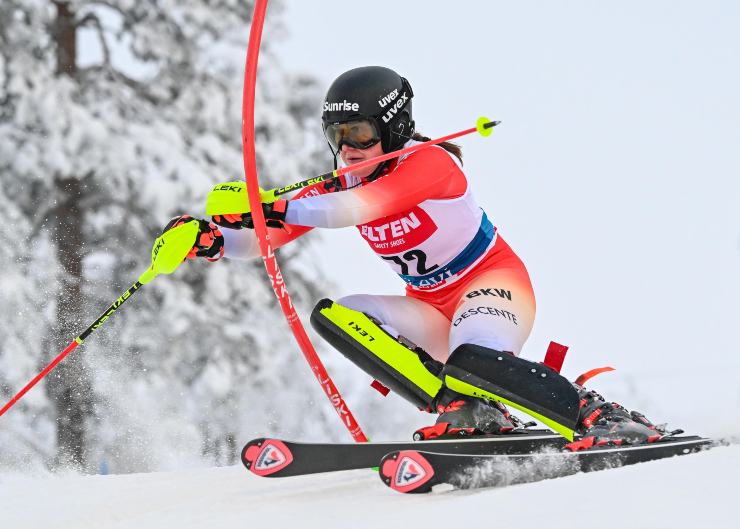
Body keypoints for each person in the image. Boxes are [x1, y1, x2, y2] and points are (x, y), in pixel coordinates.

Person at [166, 66, 665, 445]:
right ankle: (466, 411)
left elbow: (351, 210)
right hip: (428, 306)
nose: (348, 149)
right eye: (337, 137)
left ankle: (593, 413)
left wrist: (267, 204)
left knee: (472, 357)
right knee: (340, 315)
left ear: (394, 126)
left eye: (359, 134)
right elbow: (264, 240)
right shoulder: (345, 180)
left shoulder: (431, 163)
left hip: (491, 287)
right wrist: (209, 240)